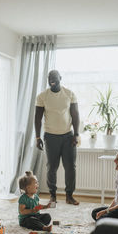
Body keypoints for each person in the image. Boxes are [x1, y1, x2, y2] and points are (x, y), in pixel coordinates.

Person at [35, 70, 80, 205]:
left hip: (68, 136)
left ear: (60, 78)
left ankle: (69, 196)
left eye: (54, 77)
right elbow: (37, 118)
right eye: (49, 78)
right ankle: (53, 196)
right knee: (52, 167)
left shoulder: (69, 94)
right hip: (50, 136)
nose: (52, 80)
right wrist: (37, 137)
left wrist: (76, 134)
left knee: (70, 167)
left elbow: (75, 115)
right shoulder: (42, 96)